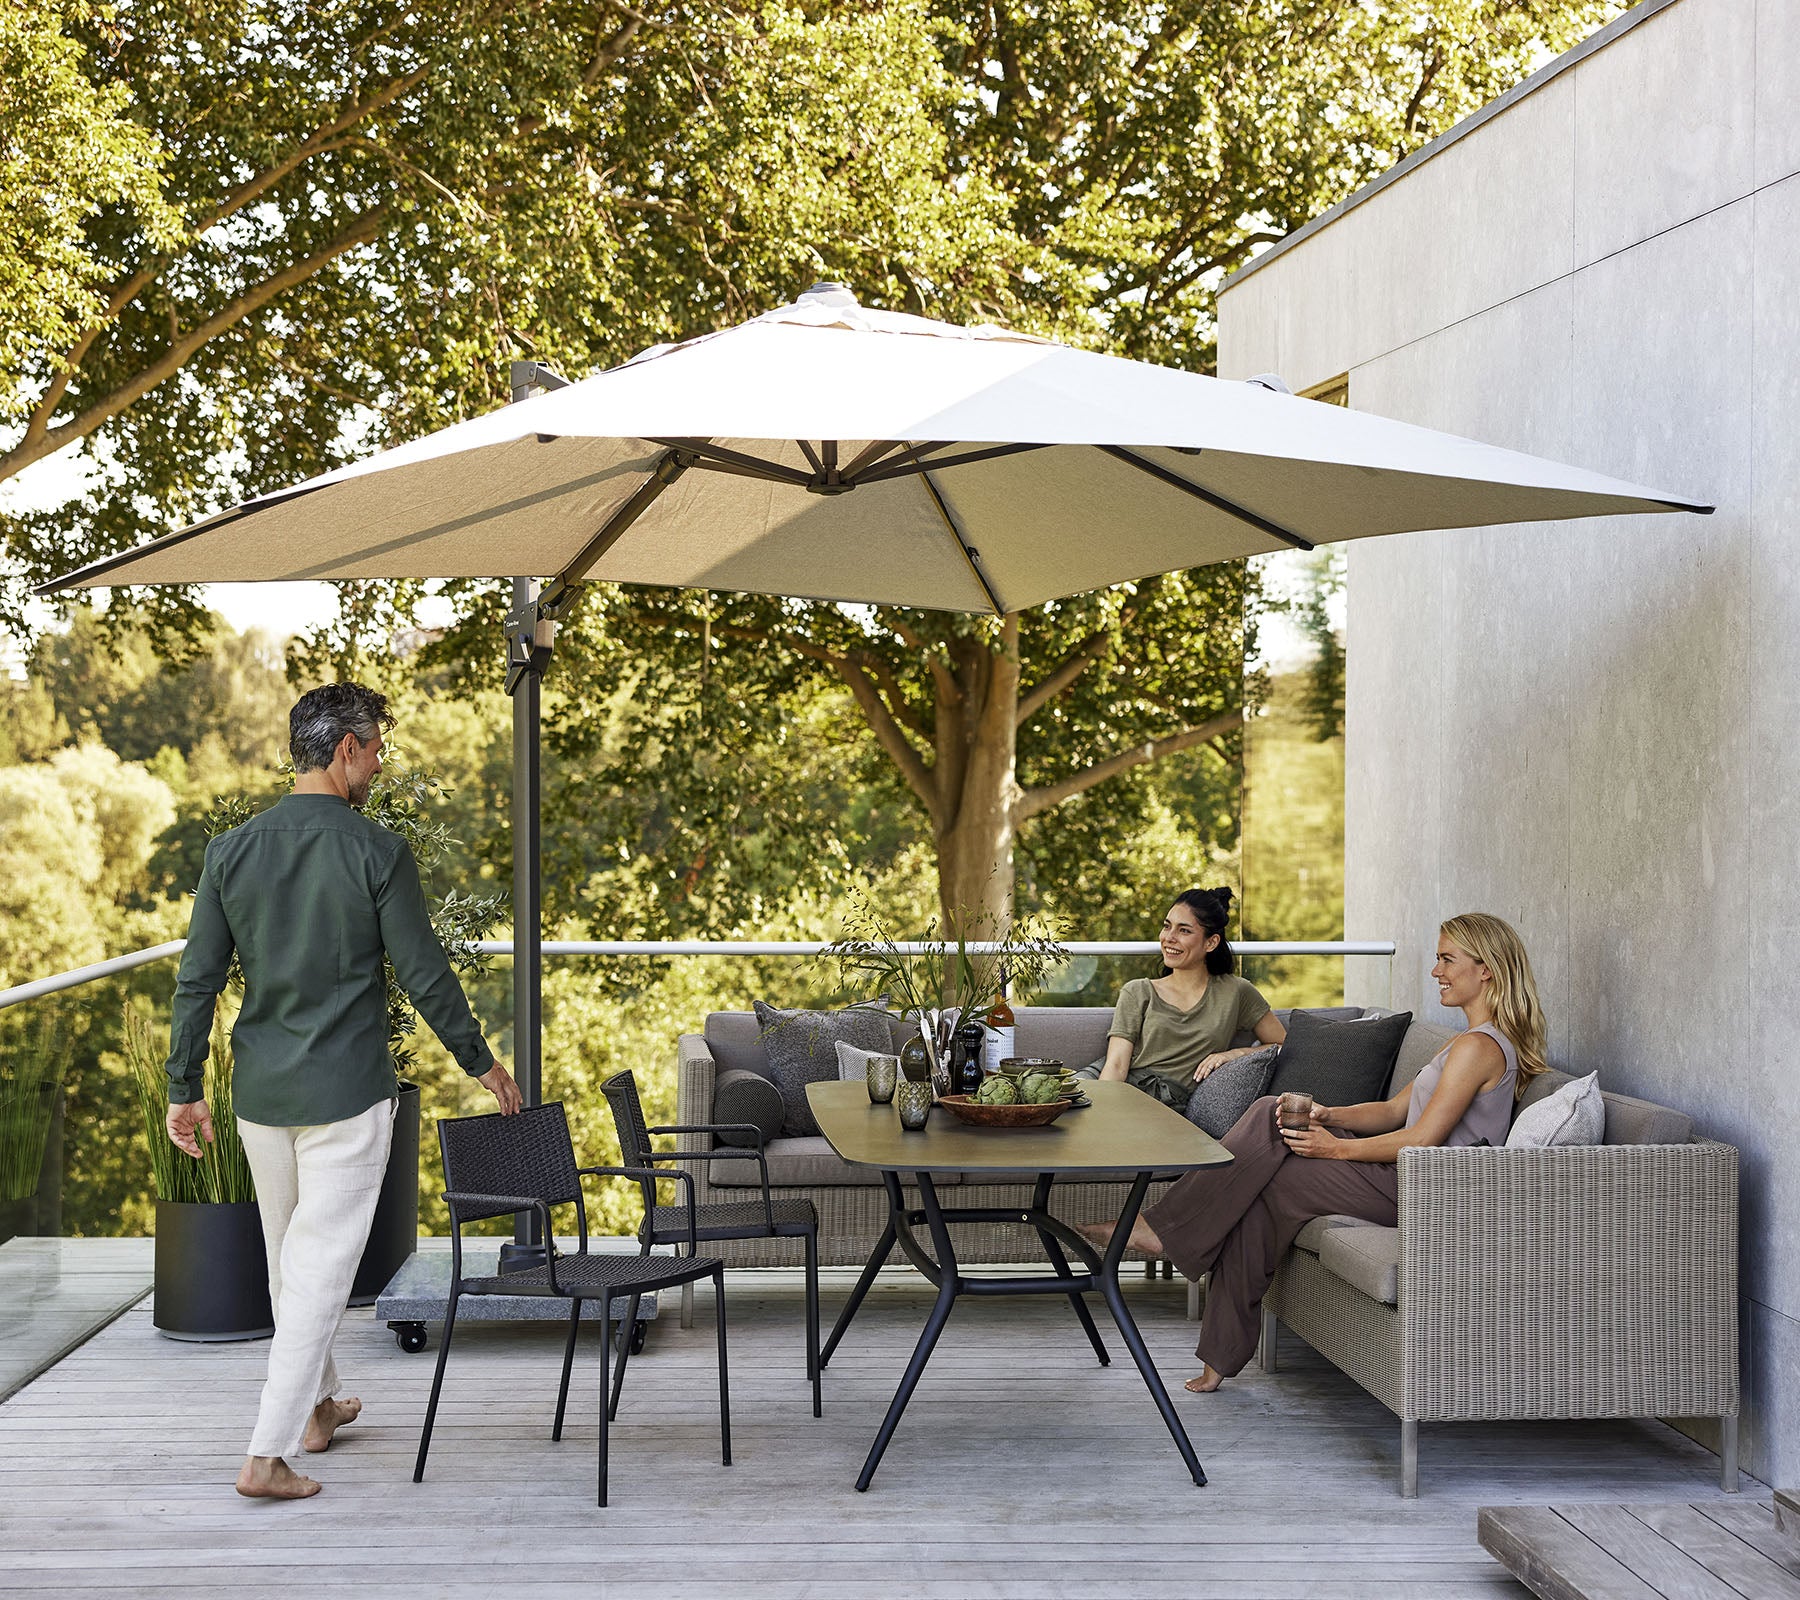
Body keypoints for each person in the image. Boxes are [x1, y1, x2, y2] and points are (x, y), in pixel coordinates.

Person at [163, 683, 523, 1501]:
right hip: (348, 1095)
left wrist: (185, 1086)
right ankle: (266, 1453)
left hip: (261, 1094)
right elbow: (425, 974)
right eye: (377, 749)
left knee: (290, 1259)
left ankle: (320, 1409)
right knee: (319, 1270)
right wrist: (482, 1063)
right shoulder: (375, 851)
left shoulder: (231, 851)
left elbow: (197, 983)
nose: (380, 765)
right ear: (346, 751)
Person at [1081, 911, 1547, 1394]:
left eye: (1447, 960)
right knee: (1268, 1139)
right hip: (1397, 1174)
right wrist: (1329, 1115)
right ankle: (1213, 1345)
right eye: (1438, 960)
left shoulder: (1479, 1048)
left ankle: (1165, 1234)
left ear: (1486, 968)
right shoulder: (1462, 1044)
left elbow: (1421, 1140)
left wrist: (1332, 1151)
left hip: (1419, 1187)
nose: (1436, 972)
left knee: (1265, 1154)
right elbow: (1391, 1112)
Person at [1096, 887, 1286, 1112]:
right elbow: (1116, 1066)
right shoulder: (1137, 991)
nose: (1169, 938)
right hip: (1122, 1093)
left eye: (1184, 931)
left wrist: (1234, 1055)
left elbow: (1284, 1045)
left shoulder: (1237, 992)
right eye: (1167, 926)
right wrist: (1101, 1116)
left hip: (1170, 1110)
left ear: (1211, 943)